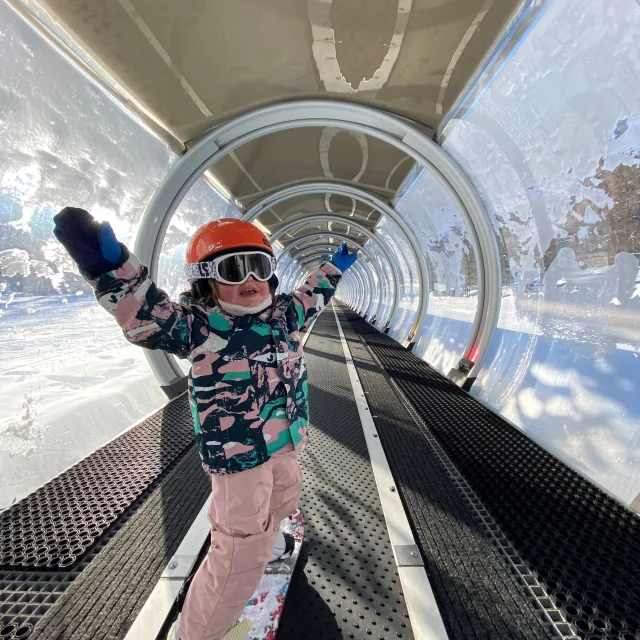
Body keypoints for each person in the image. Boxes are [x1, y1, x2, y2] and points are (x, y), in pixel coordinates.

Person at [52, 208, 357, 640]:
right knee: (237, 549)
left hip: (286, 438)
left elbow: (313, 292)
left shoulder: (284, 315)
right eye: (233, 269)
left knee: (285, 495)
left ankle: (272, 544)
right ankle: (197, 632)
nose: (248, 279)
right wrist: (111, 267)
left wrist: (333, 268)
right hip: (240, 457)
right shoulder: (199, 328)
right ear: (206, 282)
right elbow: (145, 312)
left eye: (259, 265)